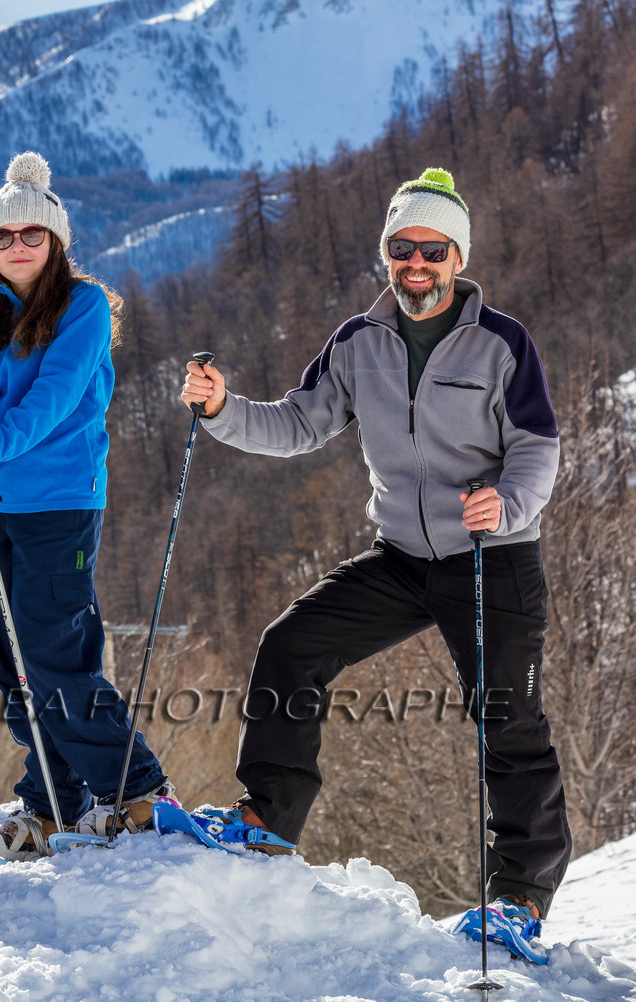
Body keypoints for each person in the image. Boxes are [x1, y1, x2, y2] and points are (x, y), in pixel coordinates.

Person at [180, 168, 571, 928]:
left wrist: (508, 500)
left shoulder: (501, 342)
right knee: (291, 645)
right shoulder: (360, 342)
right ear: (386, 255)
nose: (416, 264)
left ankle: (521, 896)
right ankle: (268, 821)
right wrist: (224, 408)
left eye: (432, 250)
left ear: (458, 259)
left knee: (508, 717)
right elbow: (297, 423)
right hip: (402, 558)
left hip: (492, 557)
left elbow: (537, 447)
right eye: (402, 249)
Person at [0, 152, 173, 860]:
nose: (18, 248)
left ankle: (134, 789)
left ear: (55, 241)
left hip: (60, 503)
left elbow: (54, 399)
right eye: (3, 239)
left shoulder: (84, 305)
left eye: (32, 235)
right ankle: (54, 798)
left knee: (54, 655)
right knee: (10, 664)